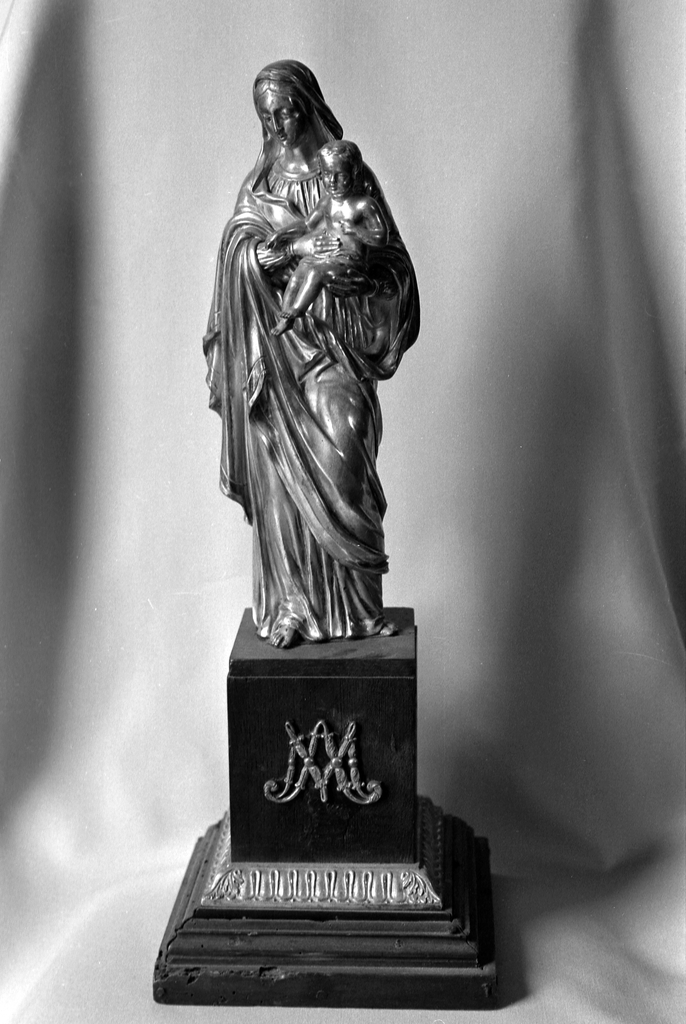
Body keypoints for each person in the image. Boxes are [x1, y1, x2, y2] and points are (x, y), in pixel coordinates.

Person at [203, 60, 419, 648]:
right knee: (280, 482)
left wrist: (358, 267)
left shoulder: (348, 176)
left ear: (308, 105)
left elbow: (394, 263)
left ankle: (359, 611)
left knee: (345, 446)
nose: (277, 124)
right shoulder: (260, 188)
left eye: (285, 111)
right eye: (266, 116)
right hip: (276, 358)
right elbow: (237, 258)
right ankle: (293, 607)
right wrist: (291, 251)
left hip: (336, 349)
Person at [268, 140, 389, 336]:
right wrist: (282, 234)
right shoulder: (326, 202)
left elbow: (381, 237)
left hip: (350, 260)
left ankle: (297, 310)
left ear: (354, 173)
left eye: (340, 175)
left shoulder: (363, 205)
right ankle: (285, 318)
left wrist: (357, 230)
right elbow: (307, 224)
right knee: (300, 271)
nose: (332, 181)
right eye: (326, 174)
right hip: (326, 257)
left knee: (315, 273)